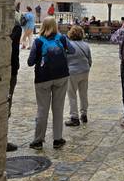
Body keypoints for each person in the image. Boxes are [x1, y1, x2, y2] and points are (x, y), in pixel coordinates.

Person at [27, 16, 75, 150]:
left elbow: (30, 62)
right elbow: (73, 51)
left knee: (42, 109)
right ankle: (57, 139)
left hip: (43, 78)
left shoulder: (38, 42)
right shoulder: (62, 38)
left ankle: (38, 140)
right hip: (61, 76)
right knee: (58, 108)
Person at [65, 25, 92, 126]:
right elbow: (90, 59)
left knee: (72, 95)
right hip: (84, 71)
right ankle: (84, 114)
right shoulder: (86, 45)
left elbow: (65, 59)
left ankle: (74, 117)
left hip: (72, 72)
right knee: (83, 94)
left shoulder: (68, 45)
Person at [7, 10, 22, 152]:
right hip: (10, 70)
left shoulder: (14, 29)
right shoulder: (16, 28)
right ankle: (1, 138)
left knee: (6, 103)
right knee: (7, 103)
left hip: (10, 69)